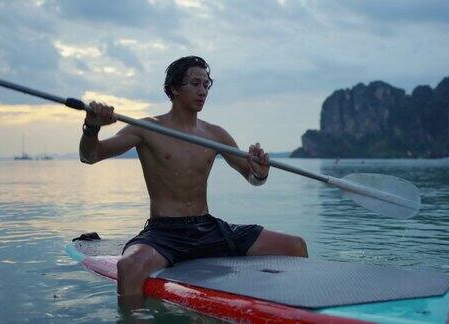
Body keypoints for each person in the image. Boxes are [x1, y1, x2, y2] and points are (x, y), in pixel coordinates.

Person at [79, 56, 308, 300]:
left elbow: (253, 177)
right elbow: (90, 156)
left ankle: (295, 309)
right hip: (166, 232)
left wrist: (261, 171)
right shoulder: (147, 128)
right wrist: (92, 127)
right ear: (175, 88)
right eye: (195, 84)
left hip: (208, 228)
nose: (203, 91)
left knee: (295, 246)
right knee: (129, 267)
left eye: (206, 85)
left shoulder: (215, 134)